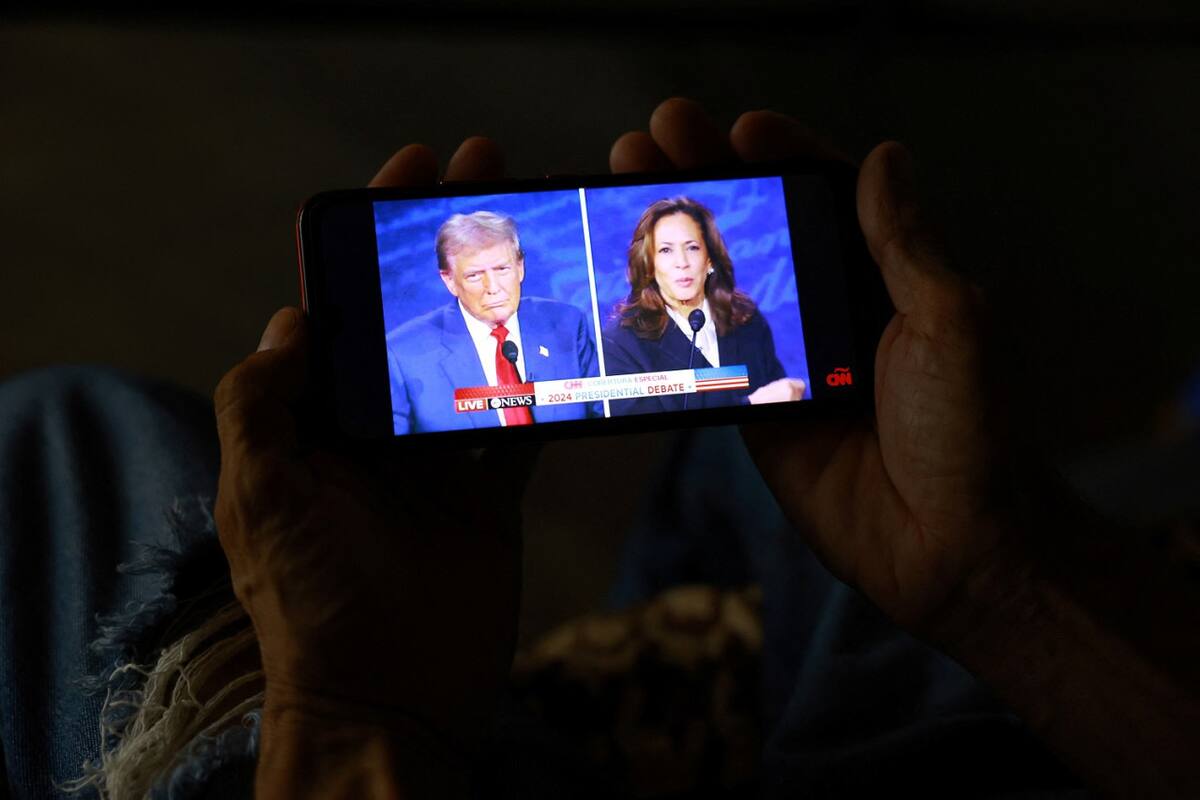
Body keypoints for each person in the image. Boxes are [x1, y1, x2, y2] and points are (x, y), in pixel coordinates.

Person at [1, 102, 1197, 799]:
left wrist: (352, 706)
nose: (495, 278)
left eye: (507, 262)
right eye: (471, 268)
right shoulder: (486, 350)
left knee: (64, 431)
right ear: (447, 278)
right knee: (738, 460)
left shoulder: (628, 329)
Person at [387, 210, 600, 433]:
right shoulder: (402, 354)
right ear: (449, 280)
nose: (493, 287)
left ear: (520, 268)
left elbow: (603, 415)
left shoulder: (566, 323)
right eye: (475, 275)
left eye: (502, 269)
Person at [602, 196, 806, 415]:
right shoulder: (621, 343)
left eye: (692, 247)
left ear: (709, 258)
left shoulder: (746, 319)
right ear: (649, 264)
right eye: (665, 250)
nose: (682, 262)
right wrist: (748, 405)